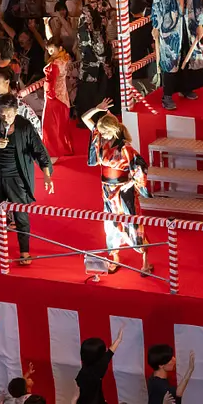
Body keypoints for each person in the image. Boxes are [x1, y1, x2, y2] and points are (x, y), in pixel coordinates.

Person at [80, 97, 151, 276]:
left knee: (132, 223)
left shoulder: (126, 148)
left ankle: (145, 261)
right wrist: (97, 108)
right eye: (101, 133)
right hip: (107, 190)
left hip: (123, 191)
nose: (101, 136)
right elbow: (84, 119)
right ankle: (114, 256)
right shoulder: (101, 139)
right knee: (110, 224)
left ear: (112, 131)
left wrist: (133, 183)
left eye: (104, 133)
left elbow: (140, 166)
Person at [0, 94, 53, 267]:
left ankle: (24, 251)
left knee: (21, 214)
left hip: (17, 176)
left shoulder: (24, 126)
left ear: (16, 111)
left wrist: (47, 175)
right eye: (3, 114)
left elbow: (39, 150)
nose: (6, 118)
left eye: (10, 114)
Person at [152, 0, 203, 111]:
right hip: (170, 27)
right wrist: (156, 26)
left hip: (189, 24)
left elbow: (198, 6)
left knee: (188, 55)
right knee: (171, 59)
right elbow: (156, 7)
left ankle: (186, 88)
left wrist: (200, 24)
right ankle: (167, 95)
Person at [41, 46, 76, 160]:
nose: (50, 52)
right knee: (62, 125)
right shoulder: (65, 58)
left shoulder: (55, 64)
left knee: (50, 127)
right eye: (49, 50)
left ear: (59, 47)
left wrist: (49, 94)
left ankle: (53, 153)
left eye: (52, 49)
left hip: (54, 97)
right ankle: (66, 148)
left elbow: (50, 82)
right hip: (64, 96)